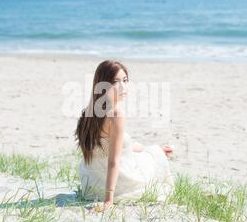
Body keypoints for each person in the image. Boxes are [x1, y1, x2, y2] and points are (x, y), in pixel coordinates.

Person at [74, 60, 175, 213]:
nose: (123, 87)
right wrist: (108, 200)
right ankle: (155, 153)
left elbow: (111, 146)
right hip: (115, 182)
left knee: (152, 152)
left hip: (91, 183)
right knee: (154, 162)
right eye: (116, 82)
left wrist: (152, 149)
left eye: (125, 80)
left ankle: (155, 151)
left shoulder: (89, 113)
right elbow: (113, 161)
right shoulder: (116, 115)